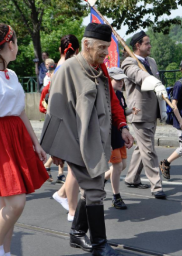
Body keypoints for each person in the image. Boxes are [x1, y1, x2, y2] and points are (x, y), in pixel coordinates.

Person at [40, 23, 134, 255]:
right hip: (75, 141)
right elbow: (55, 112)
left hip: (99, 140)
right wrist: (55, 150)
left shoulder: (100, 67)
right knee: (94, 190)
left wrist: (122, 126)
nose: (105, 53)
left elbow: (112, 101)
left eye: (107, 47)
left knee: (93, 186)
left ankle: (77, 233)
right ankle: (100, 245)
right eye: (101, 47)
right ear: (86, 44)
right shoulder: (69, 69)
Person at [0, 23, 49, 256]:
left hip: (15, 135)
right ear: (10, 44)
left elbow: (20, 111)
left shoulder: (11, 74)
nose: (18, 48)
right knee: (15, 204)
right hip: (1, 140)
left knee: (5, 205)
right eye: (17, 43)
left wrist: (36, 143)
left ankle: (5, 252)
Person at [121, 30, 168, 199]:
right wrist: (154, 82)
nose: (150, 46)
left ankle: (132, 177)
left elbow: (157, 82)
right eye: (147, 43)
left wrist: (162, 107)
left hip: (152, 111)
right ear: (137, 45)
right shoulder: (128, 62)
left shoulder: (151, 61)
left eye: (149, 43)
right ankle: (156, 186)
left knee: (142, 147)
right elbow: (140, 76)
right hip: (139, 113)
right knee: (149, 150)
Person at [52, 34, 80, 222]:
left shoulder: (57, 68)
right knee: (75, 169)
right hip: (71, 121)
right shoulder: (70, 68)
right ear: (77, 50)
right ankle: (72, 209)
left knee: (74, 168)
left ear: (60, 50)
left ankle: (63, 195)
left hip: (63, 121)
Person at [105, 67, 138, 210]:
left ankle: (101, 180)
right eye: (117, 80)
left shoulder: (119, 94)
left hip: (119, 133)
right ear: (109, 80)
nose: (121, 82)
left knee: (122, 165)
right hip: (110, 135)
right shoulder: (105, 95)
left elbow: (120, 111)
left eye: (122, 79)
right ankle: (116, 196)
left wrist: (130, 111)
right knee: (117, 166)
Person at [39, 61, 66, 184]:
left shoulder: (63, 87)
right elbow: (41, 106)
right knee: (60, 148)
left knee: (63, 148)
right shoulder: (46, 89)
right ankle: (49, 166)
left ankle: (60, 173)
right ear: (48, 75)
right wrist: (49, 111)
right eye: (51, 73)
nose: (53, 75)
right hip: (53, 121)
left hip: (64, 119)